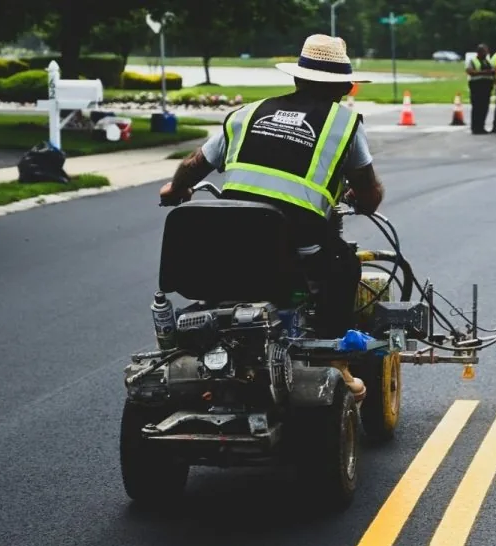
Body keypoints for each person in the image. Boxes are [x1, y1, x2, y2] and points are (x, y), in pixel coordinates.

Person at [157, 34, 385, 402]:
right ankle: (337, 363)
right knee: (345, 268)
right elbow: (369, 194)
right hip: (295, 245)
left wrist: (175, 190)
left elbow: (194, 165)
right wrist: (362, 198)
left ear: (296, 78)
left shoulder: (246, 114)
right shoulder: (344, 124)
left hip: (227, 237)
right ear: (343, 87)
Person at [465, 43, 495, 135]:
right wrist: (484, 72)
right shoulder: (473, 61)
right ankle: (476, 127)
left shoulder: (487, 61)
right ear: (479, 52)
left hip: (486, 86)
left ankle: (481, 126)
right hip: (477, 86)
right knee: (477, 107)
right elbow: (470, 71)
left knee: (484, 107)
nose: (486, 53)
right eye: (484, 51)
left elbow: (493, 71)